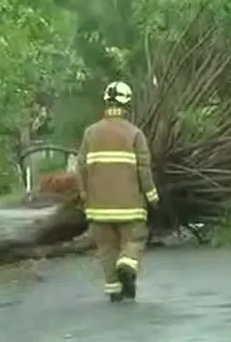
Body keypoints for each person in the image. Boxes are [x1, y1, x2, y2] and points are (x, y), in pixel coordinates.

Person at [76, 81, 159, 303]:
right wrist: (152, 196)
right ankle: (127, 263)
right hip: (130, 206)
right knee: (134, 238)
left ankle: (114, 291)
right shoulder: (135, 134)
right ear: (127, 105)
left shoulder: (90, 133)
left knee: (106, 248)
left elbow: (80, 167)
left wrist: (84, 195)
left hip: (98, 207)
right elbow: (144, 170)